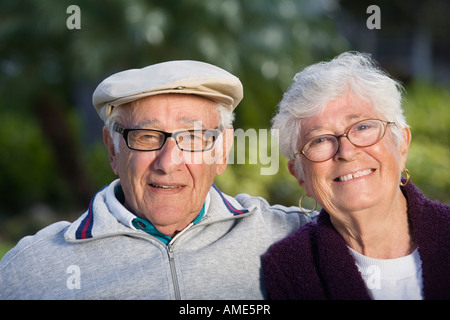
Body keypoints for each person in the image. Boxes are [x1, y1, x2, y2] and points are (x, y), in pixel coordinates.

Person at [0, 60, 316, 299]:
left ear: (222, 150)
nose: (168, 163)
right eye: (147, 136)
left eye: (192, 137)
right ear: (113, 149)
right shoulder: (33, 269)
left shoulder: (295, 237)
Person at [263, 51, 450, 300]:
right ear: (300, 175)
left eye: (362, 127)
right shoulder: (287, 268)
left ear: (402, 143)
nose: (346, 152)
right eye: (319, 140)